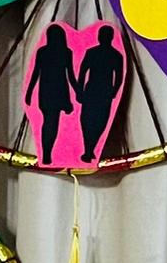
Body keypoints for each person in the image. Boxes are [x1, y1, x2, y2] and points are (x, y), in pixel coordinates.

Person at [24, 25, 79, 167]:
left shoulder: (43, 51)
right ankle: (48, 153)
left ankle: (47, 152)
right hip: (60, 91)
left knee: (49, 122)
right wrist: (78, 91)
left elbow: (35, 73)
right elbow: (71, 76)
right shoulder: (66, 52)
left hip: (46, 91)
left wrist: (29, 92)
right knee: (53, 123)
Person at [72, 24, 126, 161]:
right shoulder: (97, 53)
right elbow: (82, 73)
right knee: (88, 119)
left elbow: (119, 77)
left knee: (99, 120)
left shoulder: (114, 55)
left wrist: (114, 91)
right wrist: (79, 91)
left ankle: (90, 149)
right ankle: (88, 149)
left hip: (101, 91)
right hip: (96, 90)